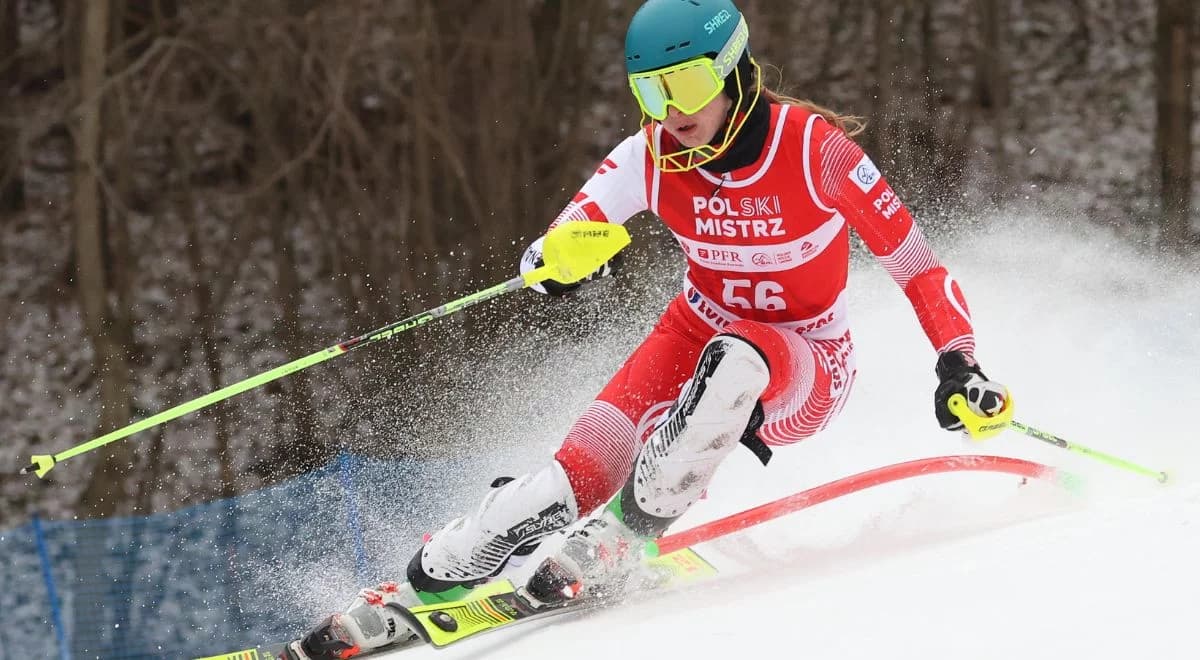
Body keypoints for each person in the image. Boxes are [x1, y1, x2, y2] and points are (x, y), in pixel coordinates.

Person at [282, 0, 1008, 658]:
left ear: (734, 74)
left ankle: (627, 533)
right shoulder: (649, 157)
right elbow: (556, 241)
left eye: (686, 85)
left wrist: (960, 362)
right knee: (567, 479)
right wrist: (560, 263)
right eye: (651, 93)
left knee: (738, 357)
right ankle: (417, 588)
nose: (671, 112)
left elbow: (917, 266)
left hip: (806, 362)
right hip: (691, 333)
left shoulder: (814, 150)